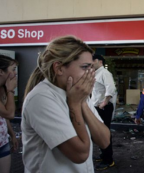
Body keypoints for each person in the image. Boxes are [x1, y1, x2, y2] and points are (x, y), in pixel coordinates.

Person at [21, 36, 110, 173]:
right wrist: (74, 104)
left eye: (92, 67)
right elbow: (80, 154)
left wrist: (81, 103)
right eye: (85, 67)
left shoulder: (77, 93)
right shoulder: (41, 98)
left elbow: (104, 140)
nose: (91, 73)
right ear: (59, 68)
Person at [91, 54, 117, 170]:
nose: (91, 63)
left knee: (104, 133)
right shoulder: (96, 73)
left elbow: (110, 88)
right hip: (98, 107)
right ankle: (103, 155)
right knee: (98, 133)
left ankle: (108, 160)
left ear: (99, 61)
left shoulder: (105, 73)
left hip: (103, 108)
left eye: (93, 61)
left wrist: (104, 103)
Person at [0, 55, 19, 173]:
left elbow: (4, 117)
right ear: (1, 71)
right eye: (13, 69)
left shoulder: (2, 89)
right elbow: (9, 114)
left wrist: (12, 134)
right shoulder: (7, 89)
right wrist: (11, 90)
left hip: (2, 142)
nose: (15, 73)